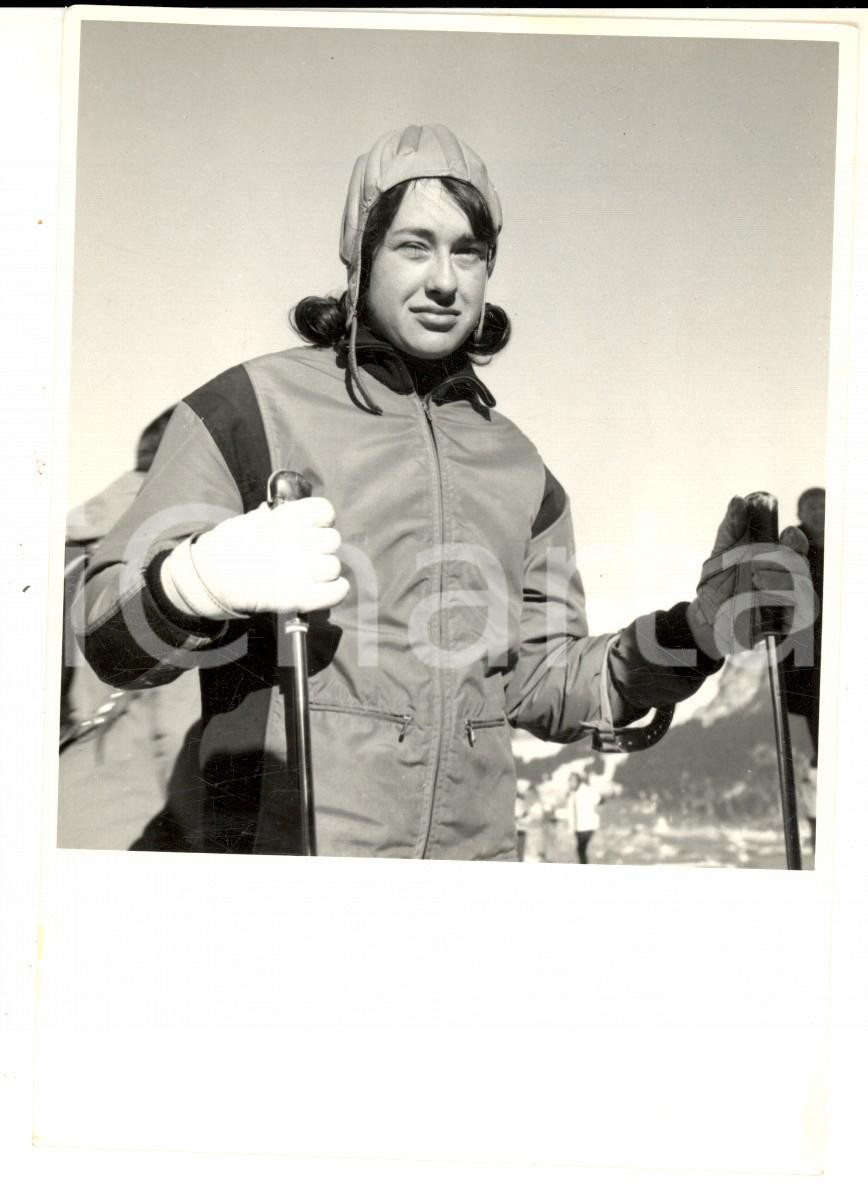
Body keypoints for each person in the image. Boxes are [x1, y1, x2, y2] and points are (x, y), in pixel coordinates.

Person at [77, 123, 810, 859]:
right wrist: (198, 580)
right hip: (284, 884)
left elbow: (547, 684)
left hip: (470, 890)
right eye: (414, 245)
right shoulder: (247, 410)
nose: (444, 279)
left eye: (469, 251)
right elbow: (109, 639)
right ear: (361, 254)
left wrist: (702, 630)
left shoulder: (520, 468)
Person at [59, 409, 202, 850]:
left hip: (64, 804)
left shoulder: (65, 546)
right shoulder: (171, 549)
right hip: (140, 819)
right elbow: (180, 727)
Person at [781, 487, 824, 760]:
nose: (819, 513)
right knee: (817, 703)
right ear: (800, 514)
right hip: (807, 641)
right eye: (812, 508)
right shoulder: (790, 547)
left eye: (823, 506)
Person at [565, 771, 603, 864]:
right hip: (578, 828)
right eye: (569, 780)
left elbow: (599, 799)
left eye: (572, 780)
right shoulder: (572, 794)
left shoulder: (586, 791)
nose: (570, 783)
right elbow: (569, 812)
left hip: (587, 827)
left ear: (578, 781)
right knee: (580, 851)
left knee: (581, 850)